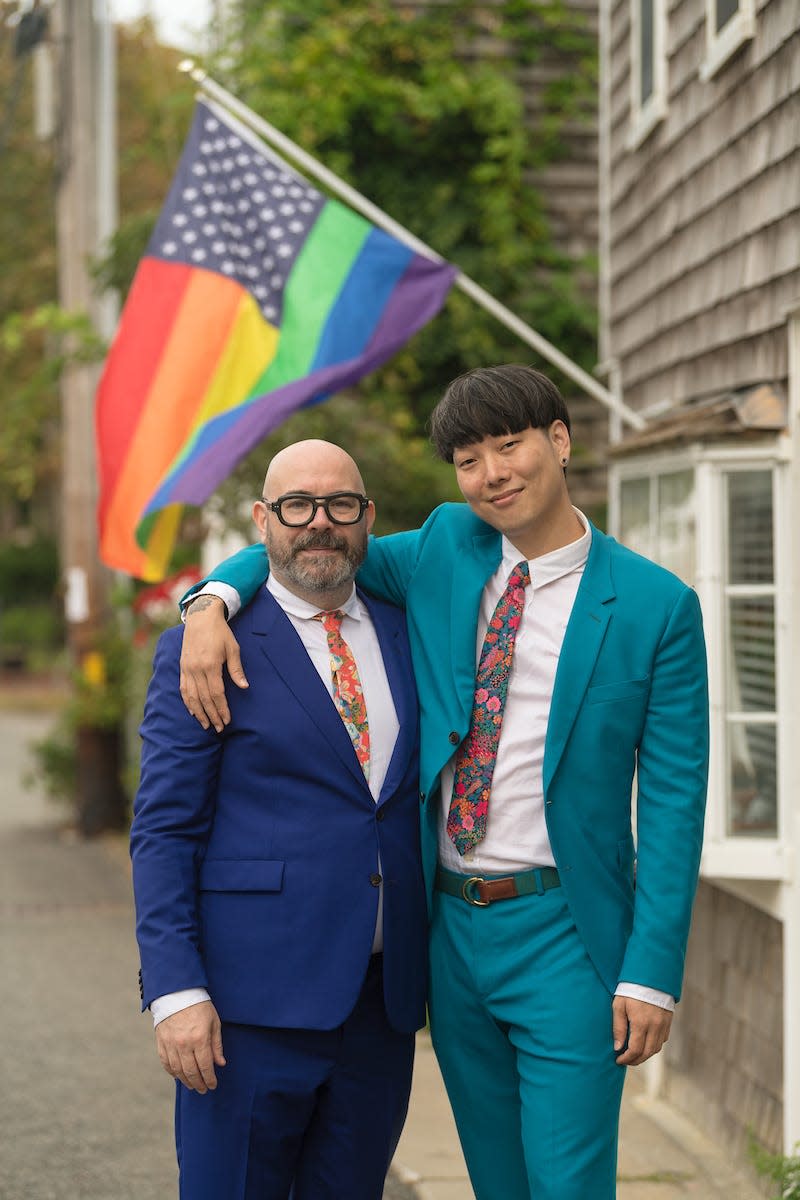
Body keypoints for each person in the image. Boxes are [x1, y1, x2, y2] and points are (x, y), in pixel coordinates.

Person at [178, 365, 709, 1200]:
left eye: (510, 444)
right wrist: (206, 606)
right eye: (469, 459)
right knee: (496, 1180)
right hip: (451, 935)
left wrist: (652, 972)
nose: (493, 472)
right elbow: (304, 543)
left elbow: (677, 804)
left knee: (567, 1183)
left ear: (560, 441)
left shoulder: (655, 606)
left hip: (567, 929)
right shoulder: (444, 552)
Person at [130, 440, 428, 1200]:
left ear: (368, 519)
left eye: (341, 506)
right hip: (246, 1011)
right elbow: (165, 830)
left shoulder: (411, 629)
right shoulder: (204, 649)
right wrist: (176, 992)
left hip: (379, 1012)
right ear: (264, 521)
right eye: (298, 506)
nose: (319, 524)